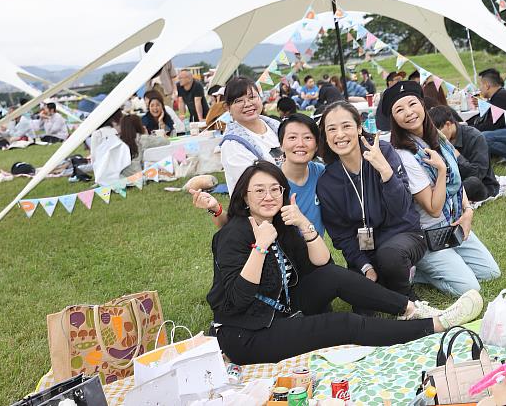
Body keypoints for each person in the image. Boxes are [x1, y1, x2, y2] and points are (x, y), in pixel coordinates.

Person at [205, 160, 483, 365]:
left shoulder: (281, 223)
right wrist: (261, 247)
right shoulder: (234, 235)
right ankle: (434, 325)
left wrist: (304, 224)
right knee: (342, 324)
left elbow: (321, 263)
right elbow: (238, 300)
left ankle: (410, 308)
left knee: (333, 276)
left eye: (275, 190)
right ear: (244, 196)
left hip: (284, 307)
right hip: (248, 333)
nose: (269, 197)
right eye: (259, 191)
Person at [383, 81, 501, 295]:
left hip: (454, 225)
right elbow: (433, 208)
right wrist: (441, 171)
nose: (408, 113)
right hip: (429, 236)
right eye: (399, 110)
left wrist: (467, 212)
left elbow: (457, 181)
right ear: (394, 119)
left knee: (491, 273)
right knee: (469, 287)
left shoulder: (439, 137)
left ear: (422, 104)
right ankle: (414, 270)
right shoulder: (404, 155)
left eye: (412, 104)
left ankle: (448, 264)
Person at [316, 101, 428, 299]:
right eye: (331, 129)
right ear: (325, 135)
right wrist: (365, 266)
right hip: (366, 249)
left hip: (402, 236)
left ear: (359, 127)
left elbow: (401, 208)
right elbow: (341, 234)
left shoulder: (382, 152)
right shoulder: (327, 181)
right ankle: (388, 278)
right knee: (360, 301)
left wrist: (385, 171)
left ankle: (406, 296)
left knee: (390, 257)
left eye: (346, 126)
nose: (339, 134)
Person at [194, 113, 326, 237]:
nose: (300, 144)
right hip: (282, 258)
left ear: (316, 145)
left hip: (317, 252)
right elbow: (235, 226)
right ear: (281, 145)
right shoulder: (267, 181)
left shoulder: (322, 173)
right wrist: (215, 209)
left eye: (307, 137)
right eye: (292, 137)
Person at [219, 76, 281, 194]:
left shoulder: (278, 127)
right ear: (228, 108)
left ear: (260, 97)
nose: (247, 104)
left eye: (252, 97)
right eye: (238, 101)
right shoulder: (232, 145)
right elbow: (256, 186)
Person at [429, 105, 500, 202]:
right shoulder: (437, 141)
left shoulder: (475, 137)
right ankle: (444, 198)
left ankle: (445, 199)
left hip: (482, 185)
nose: (436, 137)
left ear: (448, 124)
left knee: (473, 182)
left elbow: (478, 174)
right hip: (454, 182)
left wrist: (456, 155)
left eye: (438, 133)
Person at [90, 109, 130, 186]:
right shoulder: (117, 130)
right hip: (119, 170)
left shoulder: (97, 133)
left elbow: (94, 156)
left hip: (102, 172)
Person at [143, 42, 178, 107]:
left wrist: (175, 90)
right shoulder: (146, 63)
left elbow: (173, 76)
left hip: (166, 89)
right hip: (152, 89)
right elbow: (146, 81)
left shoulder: (165, 59)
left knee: (168, 109)